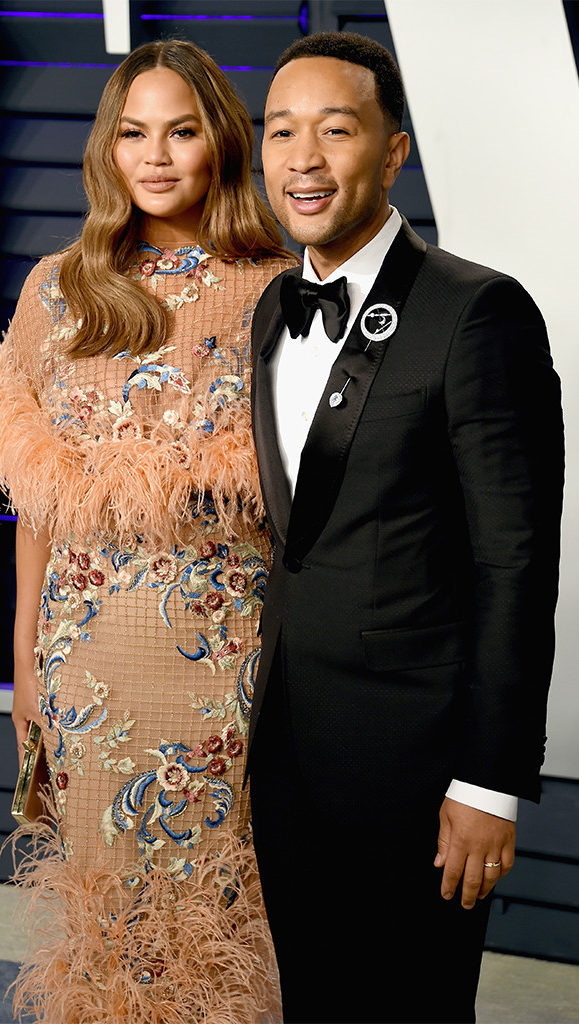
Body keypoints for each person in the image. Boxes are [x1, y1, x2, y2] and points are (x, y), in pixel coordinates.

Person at [0, 39, 296, 1024]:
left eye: (181, 130)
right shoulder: (58, 288)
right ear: (105, 150)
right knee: (108, 924)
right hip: (88, 655)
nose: (157, 155)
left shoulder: (276, 285)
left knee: (226, 911)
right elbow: (38, 497)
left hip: (231, 655)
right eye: (133, 133)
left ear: (218, 142)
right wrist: (23, 657)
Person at [246, 31, 564, 1024]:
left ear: (390, 152)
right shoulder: (269, 308)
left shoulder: (478, 312)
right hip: (291, 755)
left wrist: (490, 782)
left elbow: (515, 561)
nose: (302, 157)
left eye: (334, 130)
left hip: (419, 769)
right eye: (280, 131)